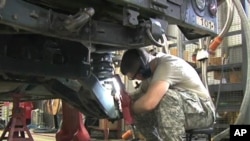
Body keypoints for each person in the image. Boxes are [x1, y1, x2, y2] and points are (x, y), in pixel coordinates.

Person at [120, 48, 215, 141]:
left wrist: (128, 108)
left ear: (143, 68)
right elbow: (138, 95)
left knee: (165, 97)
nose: (138, 79)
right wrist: (121, 103)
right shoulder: (150, 75)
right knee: (139, 107)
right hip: (184, 110)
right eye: (133, 78)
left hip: (204, 112)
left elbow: (149, 103)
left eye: (137, 75)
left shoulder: (166, 65)